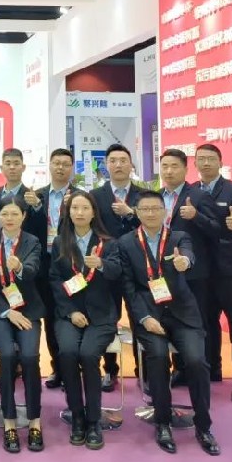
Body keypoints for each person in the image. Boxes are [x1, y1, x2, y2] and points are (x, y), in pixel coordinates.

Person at [117, 191, 220, 456]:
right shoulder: (126, 243)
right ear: (137, 213)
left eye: (156, 208)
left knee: (196, 361)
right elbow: (128, 287)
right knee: (158, 357)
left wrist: (185, 261)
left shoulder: (178, 237)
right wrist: (144, 318)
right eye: (145, 209)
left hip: (183, 313)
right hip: (148, 314)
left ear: (165, 212)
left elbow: (187, 254)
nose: (151, 213)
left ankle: (204, 426)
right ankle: (162, 423)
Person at [49, 189, 120, 450]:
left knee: (89, 355)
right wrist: (70, 312)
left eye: (85, 208)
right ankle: (77, 415)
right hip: (69, 314)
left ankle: (93, 420)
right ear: (68, 213)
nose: (79, 213)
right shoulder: (60, 242)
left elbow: (117, 273)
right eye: (75, 208)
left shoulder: (108, 243)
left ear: (93, 213)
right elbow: (54, 279)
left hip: (101, 315)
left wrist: (101, 265)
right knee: (67, 353)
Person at [0, 198, 45, 453]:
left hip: (27, 310)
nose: (9, 218)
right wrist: (6, 312)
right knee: (6, 355)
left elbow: (33, 269)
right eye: (5, 214)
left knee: (29, 357)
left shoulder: (32, 241)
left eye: (14, 214)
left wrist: (19, 268)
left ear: (23, 216)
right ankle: (9, 421)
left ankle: (35, 419)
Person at [193, 143, 232, 402]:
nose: (206, 163)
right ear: (195, 163)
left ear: (220, 162)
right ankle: (212, 371)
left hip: (229, 268)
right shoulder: (191, 191)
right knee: (206, 324)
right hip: (200, 270)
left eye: (211, 159)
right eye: (201, 159)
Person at [157, 148, 223, 386]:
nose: (169, 171)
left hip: (195, 273)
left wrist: (196, 216)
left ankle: (205, 370)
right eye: (165, 166)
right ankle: (180, 368)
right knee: (172, 320)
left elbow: (217, 230)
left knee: (198, 322)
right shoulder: (155, 198)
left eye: (174, 166)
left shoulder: (199, 196)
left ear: (186, 168)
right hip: (164, 273)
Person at [0, 147, 46, 391]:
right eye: (8, 163)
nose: (12, 167)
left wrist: (37, 207)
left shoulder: (33, 196)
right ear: (1, 167)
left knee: (29, 350)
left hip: (29, 272)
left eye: (16, 163)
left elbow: (41, 230)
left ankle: (27, 375)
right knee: (6, 350)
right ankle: (7, 380)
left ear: (23, 167)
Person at [90, 143, 142, 392]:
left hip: (138, 266)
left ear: (131, 165)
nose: (118, 165)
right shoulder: (95, 196)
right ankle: (109, 370)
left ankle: (144, 370)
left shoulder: (143, 195)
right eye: (113, 160)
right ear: (106, 165)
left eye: (123, 160)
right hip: (106, 266)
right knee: (107, 318)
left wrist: (132, 213)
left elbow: (153, 223)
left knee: (139, 316)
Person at [34, 148, 80, 390]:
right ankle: (58, 368)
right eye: (56, 163)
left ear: (71, 168)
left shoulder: (81, 196)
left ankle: (75, 368)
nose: (60, 167)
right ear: (50, 166)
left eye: (65, 164)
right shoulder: (37, 196)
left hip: (71, 264)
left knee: (73, 313)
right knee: (51, 317)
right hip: (43, 265)